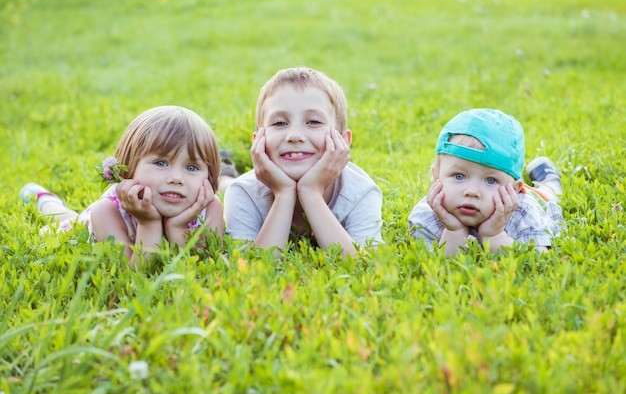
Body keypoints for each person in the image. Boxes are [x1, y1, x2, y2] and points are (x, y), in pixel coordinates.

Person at [20, 105, 224, 263]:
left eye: (191, 168)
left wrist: (177, 227)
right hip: (89, 226)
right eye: (161, 163)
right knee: (68, 221)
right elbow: (135, 271)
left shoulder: (210, 207)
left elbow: (200, 263)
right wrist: (148, 223)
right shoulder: (107, 211)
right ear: (129, 167)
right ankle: (45, 200)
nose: (176, 178)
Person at [223, 67, 383, 256]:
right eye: (279, 123)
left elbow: (363, 265)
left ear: (343, 141)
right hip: (246, 185)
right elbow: (254, 269)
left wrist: (311, 192)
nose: (294, 136)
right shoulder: (244, 193)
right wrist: (283, 193)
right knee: (227, 186)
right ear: (258, 140)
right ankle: (223, 178)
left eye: (314, 122)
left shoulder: (361, 192)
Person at [408, 108, 565, 255]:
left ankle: (548, 176)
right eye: (459, 176)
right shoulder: (426, 215)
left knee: (549, 193)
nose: (472, 191)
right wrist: (454, 230)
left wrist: (494, 235)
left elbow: (537, 258)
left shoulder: (523, 211)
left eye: (491, 180)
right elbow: (442, 265)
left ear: (515, 189)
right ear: (436, 176)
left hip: (537, 198)